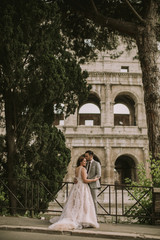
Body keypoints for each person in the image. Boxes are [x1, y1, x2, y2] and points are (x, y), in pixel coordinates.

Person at [49, 155, 99, 231]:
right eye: (84, 161)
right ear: (81, 162)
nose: (85, 162)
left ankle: (77, 217)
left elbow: (76, 178)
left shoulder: (76, 169)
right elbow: (85, 180)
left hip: (76, 187)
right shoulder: (83, 169)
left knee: (75, 203)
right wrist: (94, 180)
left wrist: (75, 180)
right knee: (83, 203)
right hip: (82, 187)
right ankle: (82, 219)